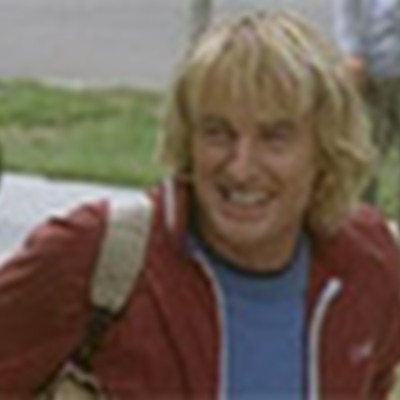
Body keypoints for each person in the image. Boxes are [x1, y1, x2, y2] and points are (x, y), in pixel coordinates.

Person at [0, 11, 400, 399]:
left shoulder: (368, 264)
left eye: (274, 137)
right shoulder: (95, 256)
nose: (241, 168)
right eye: (217, 133)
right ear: (188, 141)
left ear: (325, 150)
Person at [333, 0, 400, 205]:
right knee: (366, 149)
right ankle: (363, 215)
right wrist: (352, 52)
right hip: (377, 69)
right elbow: (348, 10)